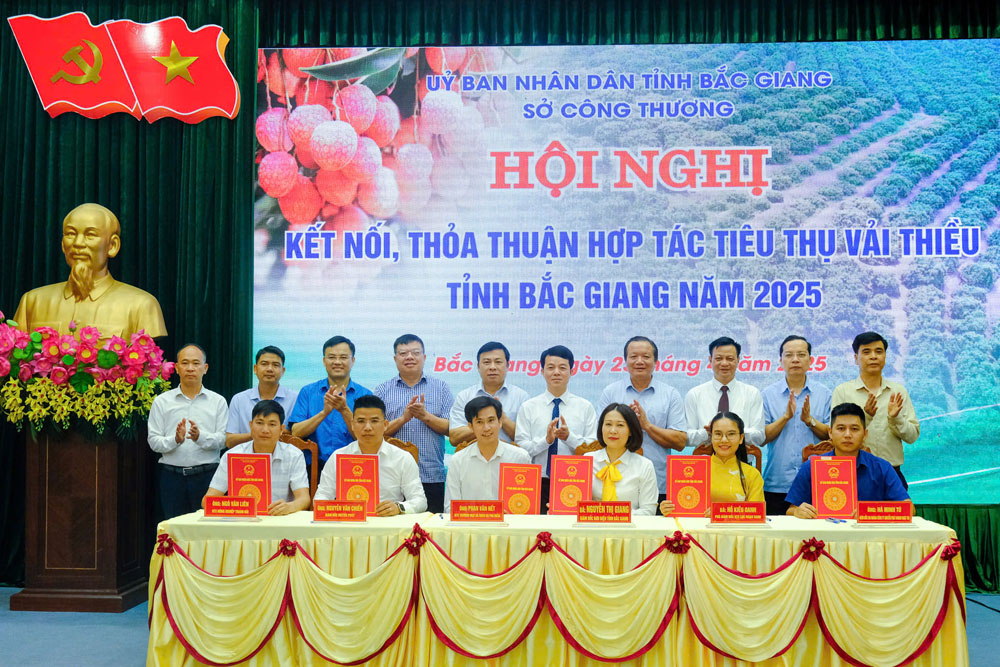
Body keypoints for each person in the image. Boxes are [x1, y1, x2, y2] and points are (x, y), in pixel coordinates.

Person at [14, 203, 166, 339]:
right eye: (71, 234)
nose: (78, 243)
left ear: (112, 246)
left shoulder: (142, 306)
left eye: (90, 235)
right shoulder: (32, 302)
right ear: (62, 244)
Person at [599, 336, 686, 503]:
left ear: (656, 362)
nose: (639, 361)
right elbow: (601, 438)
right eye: (633, 356)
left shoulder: (670, 394)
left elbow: (680, 442)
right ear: (625, 361)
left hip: (659, 483)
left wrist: (647, 426)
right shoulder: (610, 393)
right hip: (616, 483)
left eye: (646, 356)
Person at [785, 402, 910, 518]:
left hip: (867, 533)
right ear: (830, 433)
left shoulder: (882, 467)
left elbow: (909, 509)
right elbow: (791, 510)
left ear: (865, 434)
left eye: (854, 429)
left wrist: (870, 511)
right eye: (841, 428)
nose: (847, 435)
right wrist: (797, 511)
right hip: (825, 533)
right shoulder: (812, 466)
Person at [147, 344, 228, 518]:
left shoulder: (218, 401)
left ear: (205, 368)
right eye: (185, 363)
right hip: (172, 478)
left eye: (196, 363)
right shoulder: (162, 401)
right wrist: (175, 440)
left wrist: (200, 437)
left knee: (206, 529)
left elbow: (223, 440)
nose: (190, 368)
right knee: (174, 529)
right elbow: (153, 441)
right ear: (177, 368)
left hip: (208, 478)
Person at [373, 334, 452, 512]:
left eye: (415, 353)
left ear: (424, 357)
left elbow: (451, 429)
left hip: (431, 474)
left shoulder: (441, 388)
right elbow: (374, 431)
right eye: (403, 353)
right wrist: (403, 419)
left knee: (430, 526)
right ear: (395, 359)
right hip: (391, 477)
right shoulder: (382, 390)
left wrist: (425, 416)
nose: (409, 357)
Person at [515, 345, 597, 512]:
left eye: (562, 368)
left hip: (574, 481)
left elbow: (594, 449)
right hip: (536, 482)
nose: (556, 372)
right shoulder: (528, 407)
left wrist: (569, 438)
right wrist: (546, 441)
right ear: (542, 371)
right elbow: (521, 449)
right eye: (551, 367)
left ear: (572, 371)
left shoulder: (585, 407)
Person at [831, 332, 919, 488]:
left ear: (885, 356)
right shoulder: (843, 391)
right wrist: (866, 417)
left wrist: (896, 419)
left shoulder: (898, 391)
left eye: (879, 351)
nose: (873, 356)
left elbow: (912, 437)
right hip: (853, 472)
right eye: (866, 352)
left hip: (892, 473)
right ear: (856, 358)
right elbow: (835, 436)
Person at [314, 394, 427, 514]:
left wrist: (398, 508)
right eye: (361, 421)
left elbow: (420, 501)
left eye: (374, 421)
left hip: (387, 521)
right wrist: (336, 509)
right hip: (348, 521)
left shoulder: (402, 458)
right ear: (352, 425)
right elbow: (321, 496)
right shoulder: (338, 457)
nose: (367, 427)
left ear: (385, 425)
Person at [761, 335, 832, 515]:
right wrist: (786, 417)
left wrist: (810, 421)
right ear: (781, 361)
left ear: (810, 360)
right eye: (789, 355)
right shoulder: (768, 394)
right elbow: (762, 438)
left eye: (801, 354)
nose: (795, 359)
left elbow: (831, 435)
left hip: (816, 481)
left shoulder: (824, 394)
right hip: (777, 482)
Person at [203, 400, 310, 515]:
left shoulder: (294, 455)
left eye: (272, 424)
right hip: (242, 520)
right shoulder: (233, 455)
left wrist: (289, 507)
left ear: (281, 430)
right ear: (251, 426)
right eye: (259, 423)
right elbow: (207, 501)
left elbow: (304, 499)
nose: (265, 430)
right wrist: (235, 506)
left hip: (279, 519)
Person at [660, 412, 764, 516]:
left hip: (736, 527)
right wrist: (668, 508)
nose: (724, 440)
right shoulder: (694, 471)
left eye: (731, 434)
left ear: (741, 438)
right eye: (718, 434)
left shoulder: (752, 474)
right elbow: (683, 507)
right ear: (711, 437)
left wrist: (721, 513)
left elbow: (757, 513)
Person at [288, 336, 372, 464]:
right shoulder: (308, 392)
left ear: (353, 361)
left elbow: (367, 438)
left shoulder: (365, 395)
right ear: (324, 361)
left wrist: (344, 410)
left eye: (343, 357)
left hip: (354, 465)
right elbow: (296, 432)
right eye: (332, 357)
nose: (337, 362)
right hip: (314, 467)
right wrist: (324, 413)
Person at [444, 395, 531, 511]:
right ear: (470, 426)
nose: (486, 428)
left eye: (491, 420)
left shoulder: (520, 458)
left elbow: (527, 508)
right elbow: (450, 508)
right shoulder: (458, 460)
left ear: (500, 422)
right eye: (479, 422)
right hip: (469, 522)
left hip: (509, 522)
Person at [684, 336, 765, 448]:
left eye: (730, 359)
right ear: (710, 360)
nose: (724, 363)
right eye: (719, 358)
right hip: (705, 459)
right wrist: (707, 433)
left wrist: (733, 431)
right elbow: (686, 437)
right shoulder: (694, 394)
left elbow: (760, 436)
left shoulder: (752, 393)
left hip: (741, 458)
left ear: (738, 360)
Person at [448, 342, 529, 445]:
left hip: (509, 455)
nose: (492, 367)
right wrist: (483, 424)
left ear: (507, 365)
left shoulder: (521, 397)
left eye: (498, 362)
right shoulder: (465, 396)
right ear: (478, 366)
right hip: (473, 455)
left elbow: (527, 438)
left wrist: (502, 419)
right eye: (487, 362)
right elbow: (454, 438)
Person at [585, 404, 658, 515]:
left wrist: (615, 515)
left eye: (620, 425)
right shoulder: (587, 461)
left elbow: (648, 511)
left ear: (630, 431)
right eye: (608, 424)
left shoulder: (644, 466)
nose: (613, 430)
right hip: (591, 524)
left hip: (631, 526)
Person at [226, 346, 299, 448]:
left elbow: (298, 436)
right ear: (255, 369)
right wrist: (257, 434)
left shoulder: (295, 399)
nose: (269, 369)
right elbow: (229, 441)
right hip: (247, 457)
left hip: (284, 456)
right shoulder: (239, 400)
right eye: (264, 364)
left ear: (283, 371)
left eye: (275, 365)